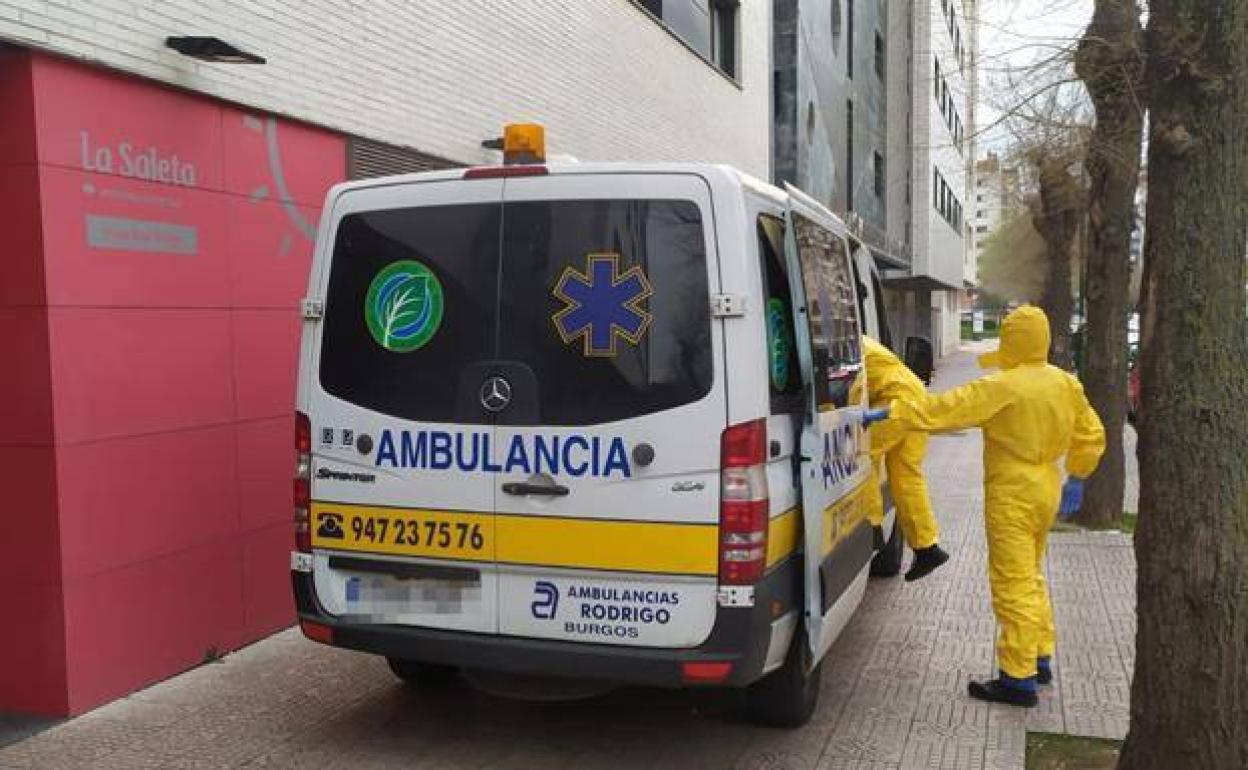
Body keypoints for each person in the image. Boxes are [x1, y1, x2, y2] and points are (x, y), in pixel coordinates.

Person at [863, 305, 1105, 707]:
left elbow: (942, 409)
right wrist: (1077, 474)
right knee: (1032, 575)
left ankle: (1017, 678)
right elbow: (1092, 434)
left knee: (1013, 583)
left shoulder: (1003, 386)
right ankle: (1038, 656)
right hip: (1047, 485)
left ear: (1012, 342)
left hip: (1012, 491)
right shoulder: (1065, 383)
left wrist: (893, 412)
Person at [862, 336, 949, 581]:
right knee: (907, 476)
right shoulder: (863, 341)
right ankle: (927, 549)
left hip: (896, 402)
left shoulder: (844, 341)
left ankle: (872, 528)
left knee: (862, 457)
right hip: (915, 398)